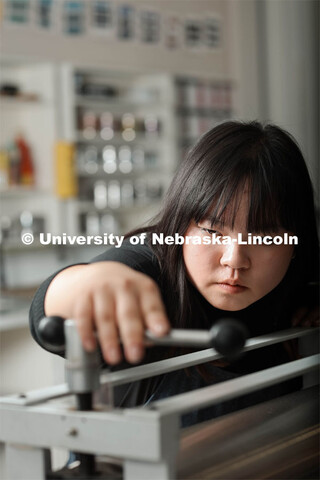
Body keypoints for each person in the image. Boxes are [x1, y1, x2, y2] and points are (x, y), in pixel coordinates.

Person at [29, 121, 319, 427]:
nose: (234, 260)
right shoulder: (147, 265)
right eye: (211, 230)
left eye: (263, 237)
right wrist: (89, 283)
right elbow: (47, 311)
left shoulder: (298, 276)